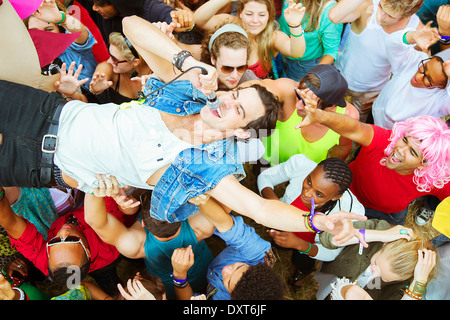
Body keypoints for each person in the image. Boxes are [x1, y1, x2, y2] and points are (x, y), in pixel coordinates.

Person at [0, 16, 367, 240]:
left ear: (241, 133)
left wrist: (319, 222)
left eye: (237, 109)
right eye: (233, 94)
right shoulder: (187, 94)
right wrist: (187, 60)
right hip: (45, 110)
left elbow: (261, 210)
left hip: (36, 161)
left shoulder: (203, 166)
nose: (226, 101)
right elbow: (130, 26)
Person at [297, 104, 450, 226]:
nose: (399, 150)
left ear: (424, 165)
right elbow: (354, 128)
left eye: (413, 152)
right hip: (345, 193)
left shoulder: (434, 179)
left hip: (383, 214)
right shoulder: (384, 140)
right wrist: (320, 116)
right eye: (404, 140)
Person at [83, 175, 215, 300]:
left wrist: (94, 185)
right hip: (209, 275)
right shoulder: (203, 226)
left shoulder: (135, 245)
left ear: (143, 223)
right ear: (182, 214)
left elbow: (96, 221)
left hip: (168, 290)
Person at [0, 186, 138, 296]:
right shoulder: (106, 238)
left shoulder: (45, 259)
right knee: (110, 278)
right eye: (72, 239)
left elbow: (12, 223)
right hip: (106, 263)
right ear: (88, 252)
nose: (63, 231)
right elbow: (116, 205)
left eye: (54, 241)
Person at [258, 155, 365, 288]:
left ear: (336, 197)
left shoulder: (351, 214)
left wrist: (300, 245)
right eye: (309, 181)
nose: (307, 194)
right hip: (283, 222)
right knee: (278, 241)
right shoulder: (300, 164)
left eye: (319, 194)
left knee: (301, 260)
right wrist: (276, 205)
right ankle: (279, 245)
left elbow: (331, 253)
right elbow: (265, 177)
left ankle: (304, 271)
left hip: (308, 244)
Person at [169, 198, 285, 300]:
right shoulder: (258, 252)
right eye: (238, 267)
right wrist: (198, 196)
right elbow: (226, 225)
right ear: (256, 266)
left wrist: (180, 275)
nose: (226, 270)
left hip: (188, 277)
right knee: (218, 211)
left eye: (228, 282)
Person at [329, 0, 423, 122]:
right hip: (340, 77)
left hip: (370, 93)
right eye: (381, 7)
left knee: (353, 126)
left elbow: (413, 69)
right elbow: (334, 16)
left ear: (408, 15)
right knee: (328, 116)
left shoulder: (416, 30)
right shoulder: (367, 6)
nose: (380, 16)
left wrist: (387, 94)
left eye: (390, 15)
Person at [256, 64, 360, 166]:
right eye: (298, 96)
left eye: (308, 104)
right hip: (268, 159)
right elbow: (256, 87)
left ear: (331, 107)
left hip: (304, 171)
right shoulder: (288, 92)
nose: (298, 105)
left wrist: (326, 170)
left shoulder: (347, 117)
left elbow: (343, 147)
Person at [316, 220, 437, 300]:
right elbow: (327, 238)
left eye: (385, 278)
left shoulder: (405, 284)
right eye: (375, 263)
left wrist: (419, 283)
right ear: (385, 244)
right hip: (327, 278)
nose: (374, 273)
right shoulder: (380, 230)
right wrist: (380, 235)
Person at [194, 0, 307, 79]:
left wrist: (295, 25)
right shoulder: (230, 23)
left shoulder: (272, 37)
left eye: (262, 15)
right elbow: (199, 20)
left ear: (269, 17)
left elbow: (297, 52)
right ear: (240, 13)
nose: (255, 20)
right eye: (249, 14)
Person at [372, 25, 450, 129]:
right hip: (376, 113)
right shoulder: (415, 61)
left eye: (428, 79)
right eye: (423, 68)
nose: (418, 77)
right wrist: (412, 36)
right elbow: (392, 44)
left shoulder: (440, 100)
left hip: (394, 137)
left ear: (441, 86)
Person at [24, 0, 98, 92]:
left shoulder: (71, 47)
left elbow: (80, 33)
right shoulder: (26, 58)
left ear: (60, 30)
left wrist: (62, 18)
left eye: (49, 29)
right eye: (35, 31)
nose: (42, 36)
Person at [278, 0, 344, 81]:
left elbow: (331, 52)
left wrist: (312, 77)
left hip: (304, 65)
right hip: (282, 55)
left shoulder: (329, 11)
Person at [88, 32, 152, 104]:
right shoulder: (110, 68)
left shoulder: (155, 72)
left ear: (135, 62)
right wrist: (95, 89)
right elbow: (102, 70)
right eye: (110, 55)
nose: (109, 61)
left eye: (114, 59)